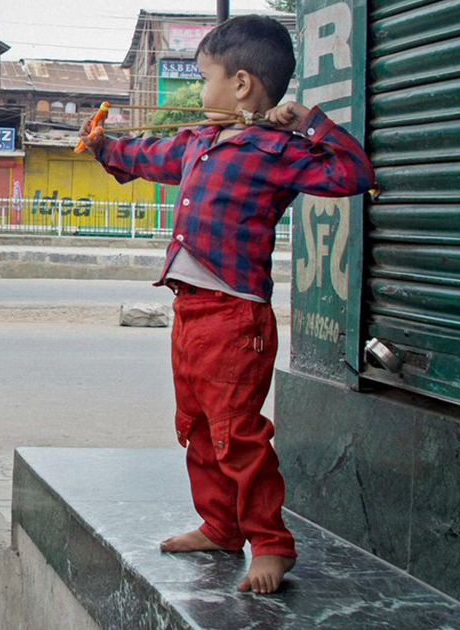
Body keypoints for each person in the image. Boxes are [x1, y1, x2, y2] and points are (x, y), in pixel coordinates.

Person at [79, 15, 374, 594]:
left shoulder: (276, 149)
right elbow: (148, 155)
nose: (199, 91)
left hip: (236, 320)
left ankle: (272, 544)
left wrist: (307, 121)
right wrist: (104, 146)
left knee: (236, 434)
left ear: (241, 84)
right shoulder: (198, 141)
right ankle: (220, 526)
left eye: (204, 78)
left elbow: (353, 172)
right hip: (190, 312)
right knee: (196, 427)